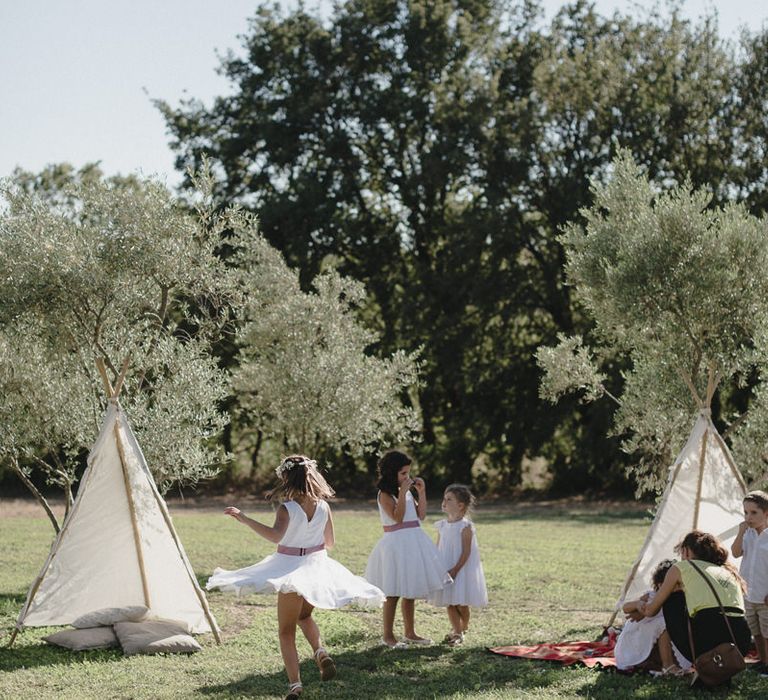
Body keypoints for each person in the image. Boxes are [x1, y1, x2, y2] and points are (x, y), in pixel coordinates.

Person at [206, 455, 385, 700]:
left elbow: (275, 536)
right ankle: (320, 652)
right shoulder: (323, 506)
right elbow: (330, 543)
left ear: (287, 478)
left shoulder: (287, 508)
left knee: (285, 631)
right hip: (317, 568)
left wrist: (245, 519)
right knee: (305, 615)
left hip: (291, 569)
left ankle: (295, 685)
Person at [364, 450, 450, 648]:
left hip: (413, 542)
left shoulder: (407, 492)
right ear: (391, 473)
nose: (407, 477)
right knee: (393, 592)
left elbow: (421, 515)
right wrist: (402, 493)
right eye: (403, 473)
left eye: (408, 473)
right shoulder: (385, 495)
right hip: (396, 544)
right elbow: (398, 517)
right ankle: (388, 635)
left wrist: (421, 492)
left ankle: (410, 632)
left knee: (409, 590)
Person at [637, 531, 751, 678]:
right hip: (740, 643)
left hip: (709, 639)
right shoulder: (727, 570)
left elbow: (651, 611)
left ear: (685, 551)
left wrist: (638, 605)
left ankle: (697, 662)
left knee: (672, 598)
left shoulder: (681, 567)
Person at [427, 484, 488, 646]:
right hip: (445, 568)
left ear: (460, 505)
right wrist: (436, 565)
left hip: (461, 568)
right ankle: (457, 631)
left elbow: (467, 552)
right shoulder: (442, 525)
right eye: (444, 498)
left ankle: (464, 626)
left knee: (461, 603)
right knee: (450, 601)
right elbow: (438, 547)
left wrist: (455, 570)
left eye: (449, 499)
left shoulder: (465, 527)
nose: (444, 502)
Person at [616, 559, 691, 675]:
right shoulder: (652, 596)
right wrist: (638, 605)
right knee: (664, 623)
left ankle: (663, 661)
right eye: (676, 584)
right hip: (638, 637)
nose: (679, 588)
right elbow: (625, 607)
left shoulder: (680, 600)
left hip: (655, 637)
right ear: (661, 585)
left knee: (670, 626)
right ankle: (668, 665)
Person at [731, 489, 768, 673]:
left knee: (767, 631)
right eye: (745, 512)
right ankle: (762, 660)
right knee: (756, 631)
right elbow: (736, 552)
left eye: (754, 513)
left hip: (765, 595)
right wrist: (740, 532)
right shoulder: (748, 534)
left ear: (766, 513)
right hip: (749, 593)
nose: (748, 517)